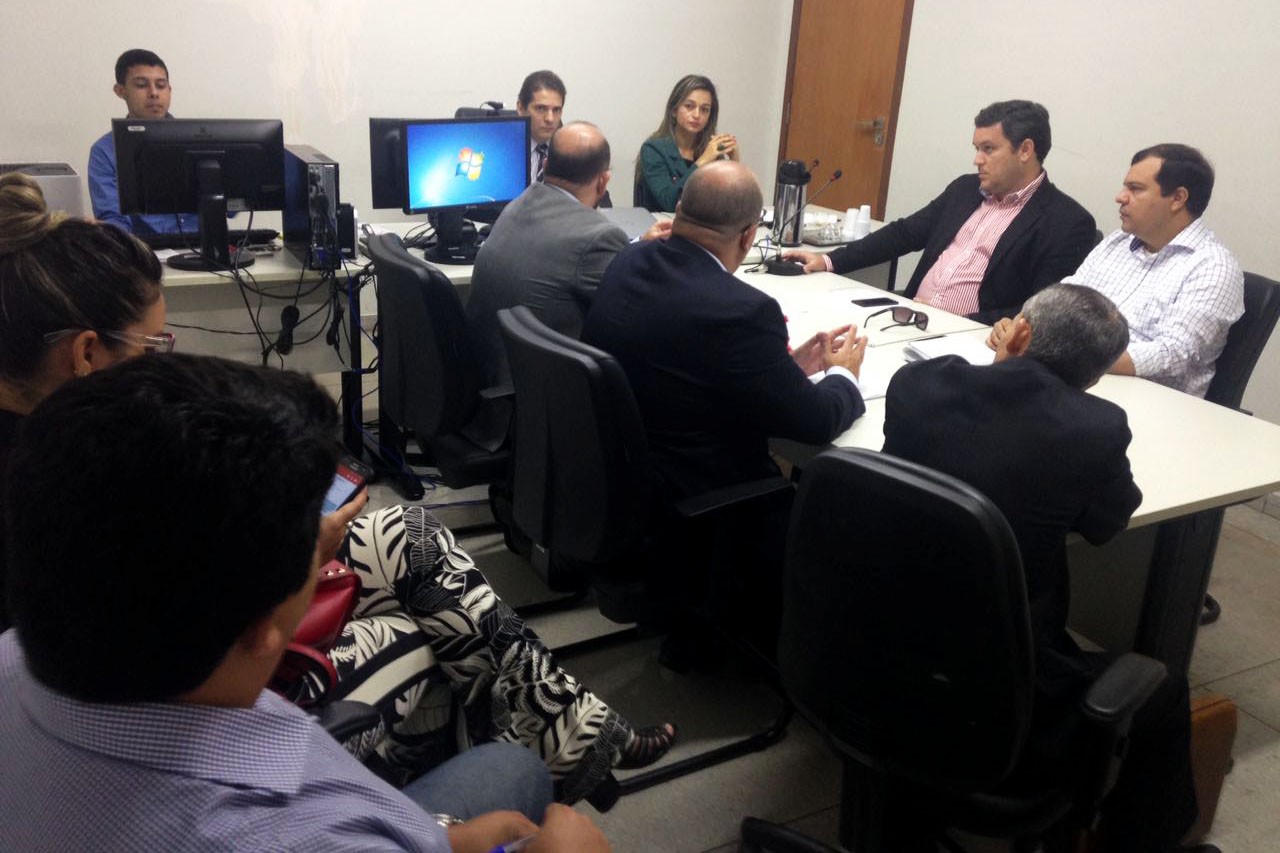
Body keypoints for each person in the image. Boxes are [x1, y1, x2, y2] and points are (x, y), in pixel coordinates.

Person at [0, 171, 673, 804]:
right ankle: (505, 783)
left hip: (182, 634)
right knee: (432, 641)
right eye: (153, 346)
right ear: (85, 354)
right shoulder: (51, 479)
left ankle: (570, 742)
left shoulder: (72, 434)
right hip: (175, 704)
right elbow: (165, 640)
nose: (163, 361)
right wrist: (293, 556)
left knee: (410, 533)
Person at [0, 352, 613, 852]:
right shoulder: (302, 837)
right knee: (516, 768)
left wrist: (445, 840)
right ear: (262, 628)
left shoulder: (16, 656)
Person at [882, 283, 1199, 852]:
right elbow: (1106, 522)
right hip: (998, 695)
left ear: (1020, 331)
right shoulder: (1095, 427)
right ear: (1095, 375)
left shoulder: (919, 382)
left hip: (879, 651)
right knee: (1167, 688)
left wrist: (1003, 367)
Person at [583, 161, 864, 663]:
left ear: (680, 210)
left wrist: (783, 369)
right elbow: (816, 422)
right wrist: (843, 375)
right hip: (694, 498)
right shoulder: (740, 309)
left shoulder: (631, 261)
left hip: (623, 482)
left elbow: (685, 361)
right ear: (749, 235)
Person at [783, 100, 1095, 324]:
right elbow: (905, 233)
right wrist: (830, 260)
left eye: (988, 149)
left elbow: (1041, 312)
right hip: (908, 319)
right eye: (976, 149)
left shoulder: (1066, 222)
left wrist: (951, 320)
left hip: (972, 339)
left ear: (1025, 150)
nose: (977, 160)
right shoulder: (965, 189)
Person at [991, 143, 1243, 398]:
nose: (1120, 197)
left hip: (1149, 402)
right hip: (1078, 382)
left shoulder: (1214, 267)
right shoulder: (1118, 242)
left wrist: (1053, 354)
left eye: (1136, 189)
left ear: (1177, 199)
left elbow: (1172, 354)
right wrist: (1022, 326)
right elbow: (1062, 299)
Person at [467, 121, 671, 401]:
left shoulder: (520, 201)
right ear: (603, 181)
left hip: (491, 383)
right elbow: (643, 314)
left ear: (546, 165)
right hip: (540, 399)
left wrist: (635, 247)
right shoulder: (598, 236)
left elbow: (569, 257)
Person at [87, 49, 197, 235]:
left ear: (170, 90)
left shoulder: (197, 138)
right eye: (141, 85)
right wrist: (103, 230)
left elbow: (230, 205)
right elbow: (114, 219)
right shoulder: (105, 151)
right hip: (147, 248)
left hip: (208, 245)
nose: (154, 93)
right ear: (120, 91)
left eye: (161, 86)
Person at [635, 74, 740, 212]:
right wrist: (703, 160)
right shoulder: (653, 150)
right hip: (664, 224)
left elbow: (731, 206)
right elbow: (670, 202)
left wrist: (734, 163)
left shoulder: (710, 149)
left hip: (703, 224)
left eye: (704, 109)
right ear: (674, 110)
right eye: (689, 106)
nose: (697, 115)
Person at [516, 70, 566, 183]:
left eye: (556, 110)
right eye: (541, 108)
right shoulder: (504, 150)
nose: (550, 119)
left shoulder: (569, 151)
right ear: (521, 108)